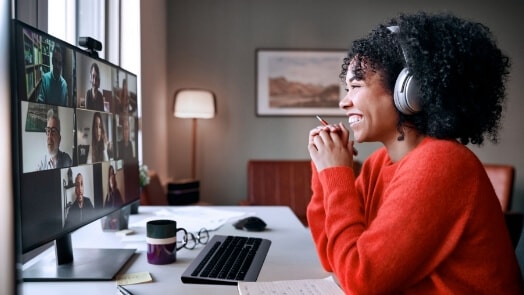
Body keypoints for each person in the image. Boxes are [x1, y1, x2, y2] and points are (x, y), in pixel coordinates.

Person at [306, 12, 523, 294]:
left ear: (409, 92)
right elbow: (332, 257)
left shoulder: (442, 163)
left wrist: (337, 174)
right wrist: (326, 173)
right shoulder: (378, 164)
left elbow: (362, 279)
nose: (343, 101)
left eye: (356, 86)